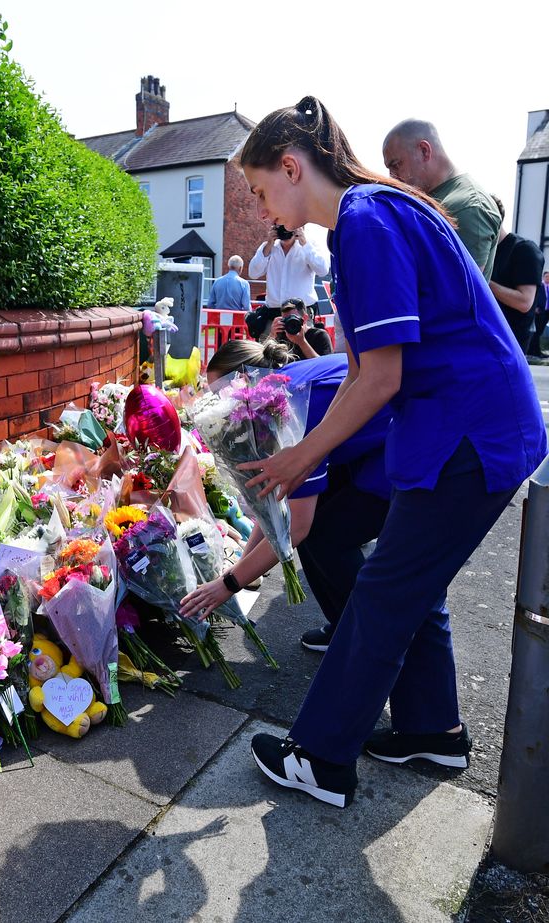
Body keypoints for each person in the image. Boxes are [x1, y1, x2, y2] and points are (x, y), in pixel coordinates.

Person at [237, 96, 545, 809]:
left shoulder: (365, 223)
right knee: (407, 583)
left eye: (259, 189)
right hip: (470, 424)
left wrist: (296, 457)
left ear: (290, 166)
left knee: (381, 593)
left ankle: (320, 757)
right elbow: (364, 366)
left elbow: (381, 377)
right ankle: (432, 729)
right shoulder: (374, 212)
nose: (259, 208)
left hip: (469, 432)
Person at [180, 341, 390, 654]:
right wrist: (240, 570)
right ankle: (348, 625)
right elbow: (277, 504)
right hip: (372, 446)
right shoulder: (278, 392)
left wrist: (227, 586)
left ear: (245, 381)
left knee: (329, 536)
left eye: (221, 396)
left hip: (400, 453)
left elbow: (295, 528)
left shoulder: (290, 408)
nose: (220, 409)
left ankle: (369, 637)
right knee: (321, 529)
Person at [382, 119, 502, 279]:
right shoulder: (434, 198)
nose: (392, 177)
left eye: (396, 165)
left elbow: (457, 294)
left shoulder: (468, 207)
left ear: (424, 151)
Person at [487, 198, 546, 355]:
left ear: (491, 217)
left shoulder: (524, 250)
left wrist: (483, 281)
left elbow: (524, 302)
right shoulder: (484, 251)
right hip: (487, 337)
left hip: (510, 343)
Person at [247, 222, 330, 317]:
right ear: (275, 228)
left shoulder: (309, 246)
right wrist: (269, 245)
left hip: (302, 311)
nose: (285, 229)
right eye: (281, 225)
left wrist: (304, 243)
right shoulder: (268, 247)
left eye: (289, 225)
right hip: (274, 311)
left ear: (300, 227)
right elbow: (253, 273)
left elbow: (323, 270)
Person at [268, 297, 333, 360]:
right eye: (286, 319)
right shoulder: (281, 335)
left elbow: (324, 366)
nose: (290, 323)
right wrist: (272, 336)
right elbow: (263, 361)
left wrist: (302, 342)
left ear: (305, 318)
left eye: (293, 318)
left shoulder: (319, 335)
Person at [533, 270, 549, 358]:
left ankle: (537, 351)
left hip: (547, 312)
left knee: (540, 331)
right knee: (537, 332)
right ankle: (535, 352)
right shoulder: (540, 286)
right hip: (540, 312)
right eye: (547, 276)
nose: (548, 278)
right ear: (543, 277)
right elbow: (535, 297)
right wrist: (534, 308)